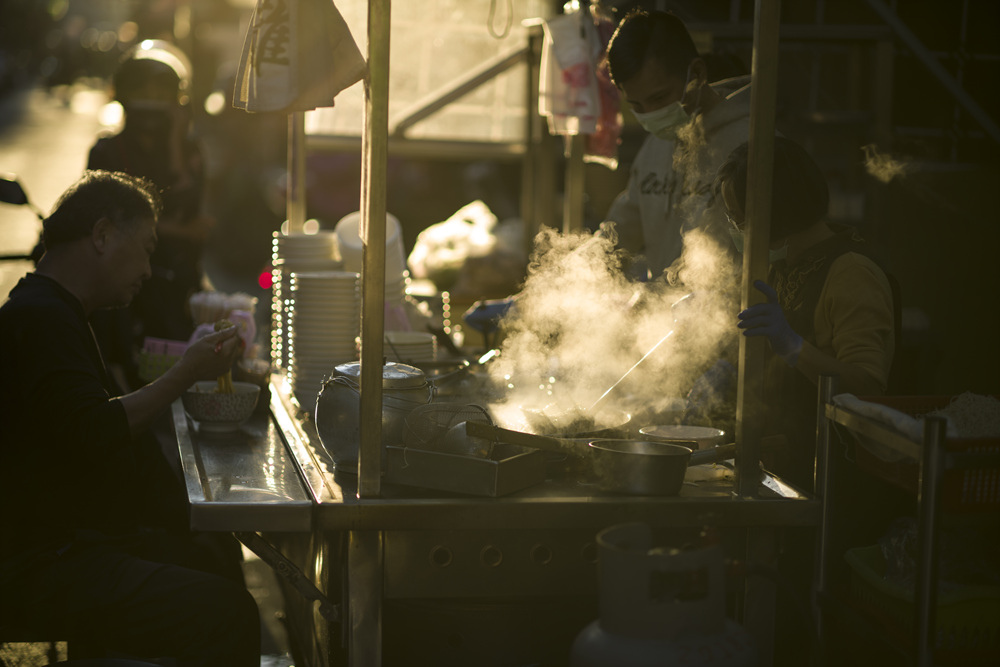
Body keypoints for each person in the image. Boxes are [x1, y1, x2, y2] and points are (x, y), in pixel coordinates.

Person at [0, 171, 260, 666]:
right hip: (39, 561)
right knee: (227, 612)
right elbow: (94, 430)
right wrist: (186, 371)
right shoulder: (39, 318)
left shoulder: (60, 311)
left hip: (67, 541)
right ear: (101, 236)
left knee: (216, 555)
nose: (148, 266)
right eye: (145, 247)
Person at [716, 136, 896, 489]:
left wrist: (796, 347)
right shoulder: (779, 266)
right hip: (783, 469)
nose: (738, 232)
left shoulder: (851, 272)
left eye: (740, 221)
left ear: (776, 212)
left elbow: (868, 388)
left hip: (834, 480)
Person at [87, 39, 212, 390]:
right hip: (122, 290)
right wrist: (180, 231)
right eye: (142, 88)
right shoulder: (106, 151)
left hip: (177, 285)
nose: (151, 97)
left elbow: (190, 207)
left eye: (161, 90)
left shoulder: (187, 150)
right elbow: (106, 223)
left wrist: (175, 139)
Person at [602, 8, 751, 285]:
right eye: (637, 106)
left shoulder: (753, 144)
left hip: (732, 323)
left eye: (659, 97)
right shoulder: (655, 146)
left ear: (696, 73)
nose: (650, 113)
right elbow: (619, 234)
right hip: (666, 323)